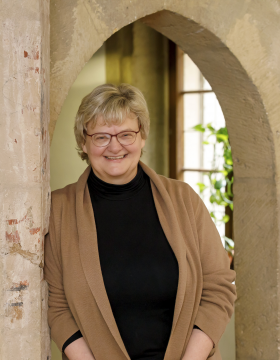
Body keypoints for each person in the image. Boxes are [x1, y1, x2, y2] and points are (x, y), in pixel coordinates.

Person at [44, 84, 236, 360]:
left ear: (142, 136)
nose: (115, 146)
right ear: (83, 142)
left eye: (126, 134)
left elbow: (218, 289)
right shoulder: (58, 211)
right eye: (101, 137)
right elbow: (57, 307)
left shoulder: (185, 200)